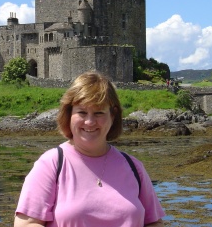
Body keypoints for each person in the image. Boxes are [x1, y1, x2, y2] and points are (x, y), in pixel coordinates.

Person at [14, 71, 165, 227]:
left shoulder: (134, 167)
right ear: (69, 114)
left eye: (99, 112)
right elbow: (26, 224)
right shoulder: (50, 164)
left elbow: (154, 223)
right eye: (82, 112)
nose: (90, 121)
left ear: (113, 115)